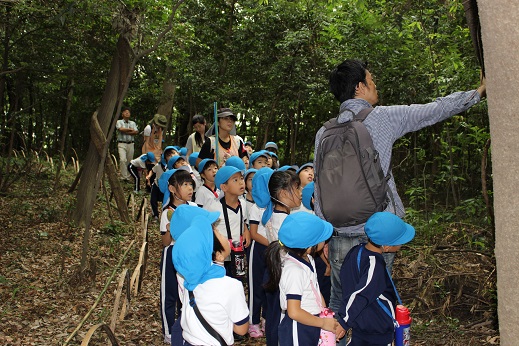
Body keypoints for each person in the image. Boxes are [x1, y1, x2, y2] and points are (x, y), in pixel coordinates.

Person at [313, 59, 486, 342]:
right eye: (372, 80)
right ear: (359, 87)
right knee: (376, 299)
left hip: (340, 232)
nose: (375, 85)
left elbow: (320, 187)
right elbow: (434, 110)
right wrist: (477, 93)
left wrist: (325, 233)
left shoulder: (324, 132)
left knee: (339, 303)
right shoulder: (382, 117)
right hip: (379, 231)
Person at [335, 212, 415, 345]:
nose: (401, 245)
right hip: (376, 329)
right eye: (399, 242)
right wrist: (344, 322)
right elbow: (361, 295)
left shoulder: (356, 251)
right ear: (387, 246)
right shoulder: (374, 265)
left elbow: (346, 281)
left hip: (361, 326)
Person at [173, 211, 249, 345]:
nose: (222, 235)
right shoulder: (231, 286)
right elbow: (242, 329)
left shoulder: (187, 278)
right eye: (219, 233)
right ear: (219, 255)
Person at [265, 212, 337, 345]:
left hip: (311, 321)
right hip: (298, 327)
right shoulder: (294, 271)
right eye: (322, 238)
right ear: (309, 247)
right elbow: (294, 311)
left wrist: (324, 314)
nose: (325, 241)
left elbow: (314, 289)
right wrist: (323, 323)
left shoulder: (309, 258)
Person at [251, 167, 302, 346]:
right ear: (282, 193)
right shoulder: (285, 221)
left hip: (274, 271)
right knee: (279, 315)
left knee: (274, 314)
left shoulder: (274, 215)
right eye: (296, 188)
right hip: (283, 274)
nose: (300, 192)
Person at [157, 168, 198, 344]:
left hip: (191, 254)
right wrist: (169, 230)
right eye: (185, 185)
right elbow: (165, 242)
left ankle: (187, 327)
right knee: (170, 294)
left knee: (190, 293)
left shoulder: (195, 208)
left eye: (191, 184)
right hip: (172, 253)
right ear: (173, 189)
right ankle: (169, 331)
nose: (190, 188)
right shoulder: (167, 212)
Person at [205, 166, 251, 278]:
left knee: (237, 282)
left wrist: (246, 231)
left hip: (238, 254)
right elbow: (205, 227)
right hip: (221, 256)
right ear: (224, 187)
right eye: (235, 180)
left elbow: (243, 221)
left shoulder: (243, 204)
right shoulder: (213, 207)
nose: (241, 183)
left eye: (241, 178)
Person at [148, 146, 177, 220]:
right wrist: (148, 176)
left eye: (173, 154)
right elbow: (152, 170)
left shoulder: (177, 168)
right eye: (168, 155)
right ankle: (155, 214)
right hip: (157, 185)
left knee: (167, 201)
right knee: (153, 200)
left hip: (167, 188)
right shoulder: (159, 166)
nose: (171, 156)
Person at [142, 114, 168, 190]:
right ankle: (148, 185)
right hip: (148, 148)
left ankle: (154, 185)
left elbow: (159, 142)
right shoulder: (148, 128)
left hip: (156, 149)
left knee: (156, 167)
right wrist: (145, 154)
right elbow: (146, 142)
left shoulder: (161, 130)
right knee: (149, 167)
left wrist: (160, 151)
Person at [116, 107, 139, 181]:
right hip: (121, 143)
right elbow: (120, 129)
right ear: (122, 114)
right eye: (125, 112)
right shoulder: (119, 122)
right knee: (123, 160)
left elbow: (136, 132)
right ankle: (123, 177)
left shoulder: (133, 123)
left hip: (131, 144)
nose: (127, 113)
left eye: (128, 112)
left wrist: (125, 131)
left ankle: (128, 177)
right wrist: (130, 130)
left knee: (129, 160)